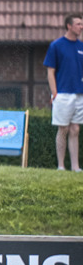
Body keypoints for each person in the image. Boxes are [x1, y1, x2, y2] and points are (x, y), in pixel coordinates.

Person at [44, 14, 83, 172]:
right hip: (63, 94)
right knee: (63, 129)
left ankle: (75, 167)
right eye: (78, 24)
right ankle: (61, 166)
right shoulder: (56, 46)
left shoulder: (81, 47)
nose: (81, 27)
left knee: (75, 130)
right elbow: (50, 71)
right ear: (69, 26)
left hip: (79, 94)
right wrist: (55, 93)